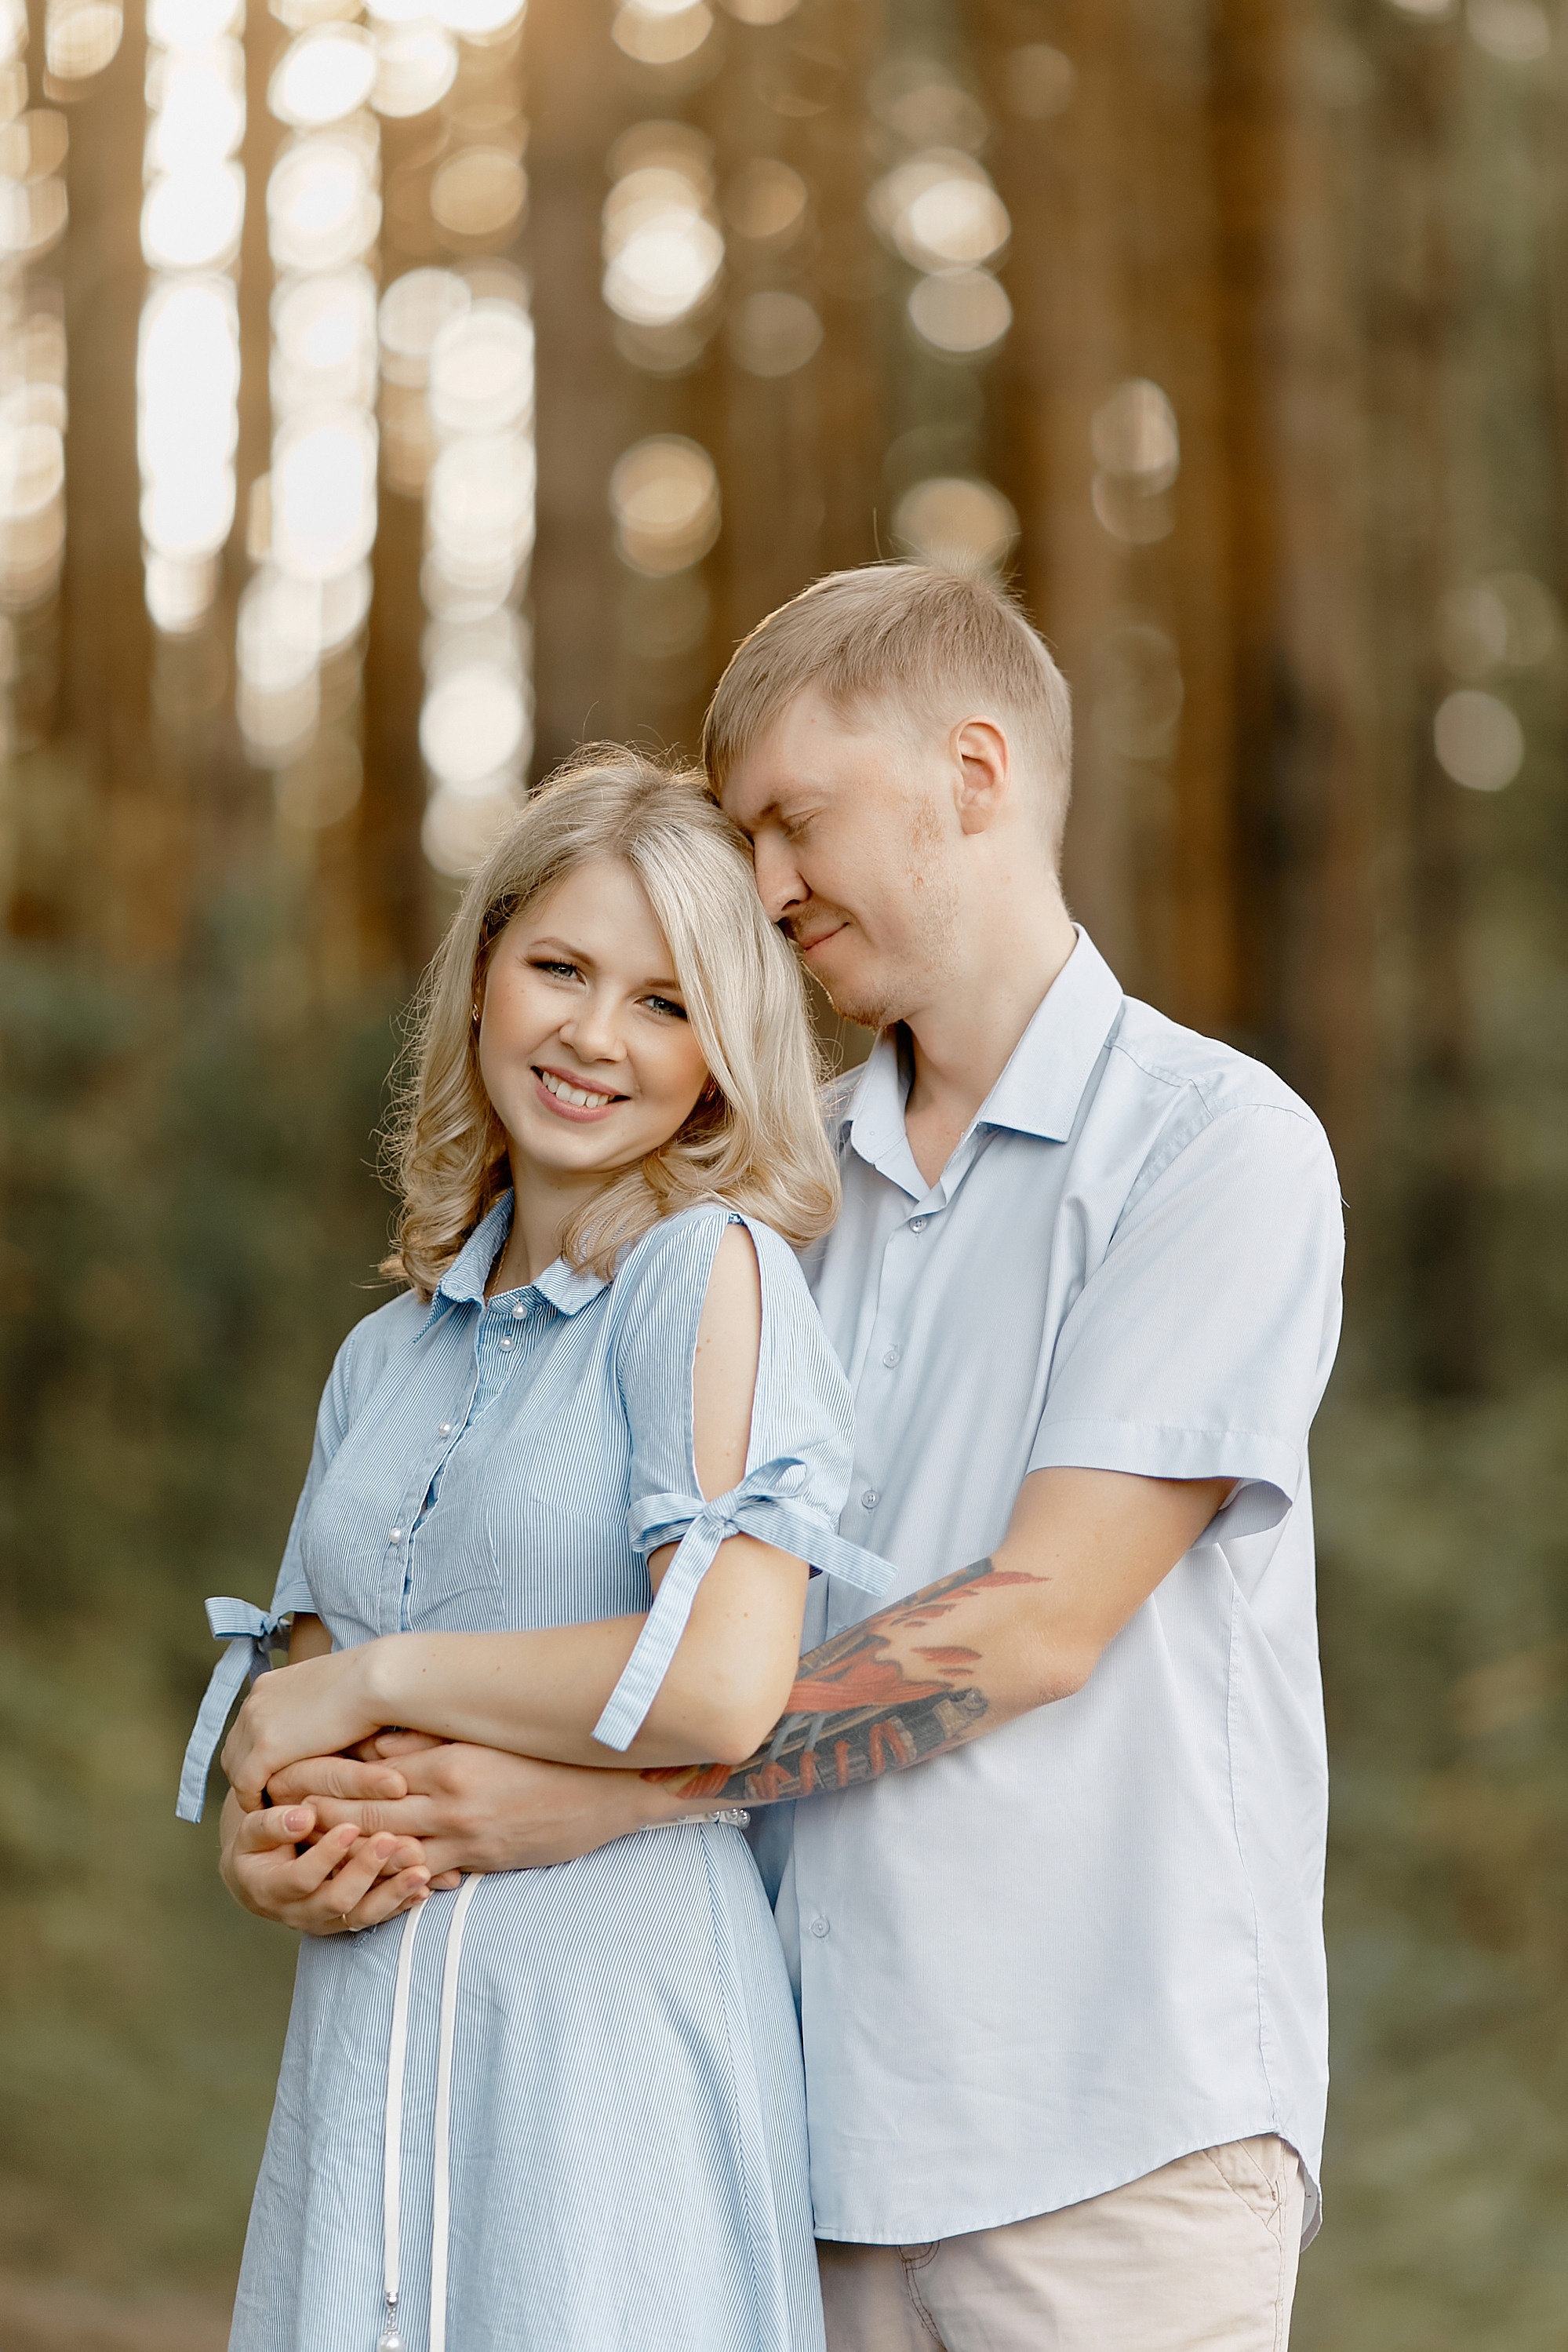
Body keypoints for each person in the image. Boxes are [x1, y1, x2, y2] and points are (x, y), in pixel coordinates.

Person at [231, 566, 1345, 2352]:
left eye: (791, 819)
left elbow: (1035, 1621)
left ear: (971, 772)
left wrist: (594, 1797)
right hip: (787, 2129)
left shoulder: (1212, 1149)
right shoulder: (757, 1192)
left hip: (1102, 2129)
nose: (760, 884)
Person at [177, 752, 904, 2352]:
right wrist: (276, 1847)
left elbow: (719, 1678)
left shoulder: (706, 1277)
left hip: (602, 2071)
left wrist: (379, 1673)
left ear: (724, 1055)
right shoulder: (384, 1352)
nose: (591, 1034)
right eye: (559, 967)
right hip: (362, 2074)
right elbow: (310, 1744)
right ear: (484, 973)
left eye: (662, 1001)